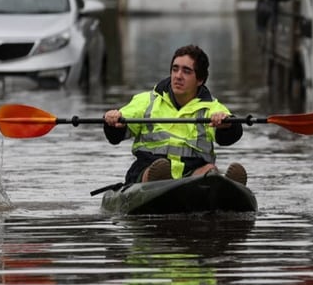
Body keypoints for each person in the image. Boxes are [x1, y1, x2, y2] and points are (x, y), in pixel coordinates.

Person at [103, 44, 247, 185]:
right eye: (175, 69)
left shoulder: (212, 108)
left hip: (191, 173)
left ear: (200, 80)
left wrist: (226, 125)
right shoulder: (146, 101)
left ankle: (226, 186)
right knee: (156, 170)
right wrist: (114, 121)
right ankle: (160, 182)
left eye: (186, 71)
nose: (178, 76)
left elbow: (231, 133)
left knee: (210, 170)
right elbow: (116, 135)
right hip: (150, 170)